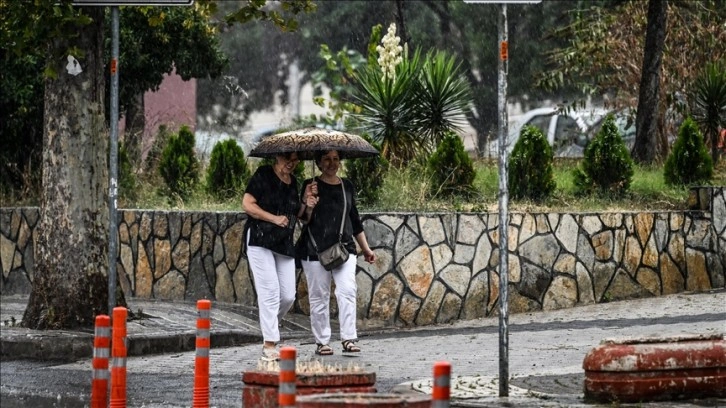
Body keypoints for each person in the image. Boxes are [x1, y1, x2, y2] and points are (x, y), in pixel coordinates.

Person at [296, 149, 376, 356]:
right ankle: (322, 341)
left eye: (335, 159)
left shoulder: (346, 186)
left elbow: (354, 219)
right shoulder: (309, 185)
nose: (332, 163)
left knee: (347, 290)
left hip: (344, 249)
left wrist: (366, 249)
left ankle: (348, 338)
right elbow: (303, 220)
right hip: (315, 250)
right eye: (326, 159)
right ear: (319, 163)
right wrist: (308, 203)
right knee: (319, 296)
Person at [243, 152, 317, 361]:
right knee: (270, 292)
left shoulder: (293, 182)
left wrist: (307, 204)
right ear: (277, 156)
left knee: (287, 295)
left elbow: (302, 217)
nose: (291, 163)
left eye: (295, 160)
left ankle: (269, 329)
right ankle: (269, 345)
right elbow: (247, 205)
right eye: (287, 159)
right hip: (259, 239)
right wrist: (274, 219)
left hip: (283, 243)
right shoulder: (264, 174)